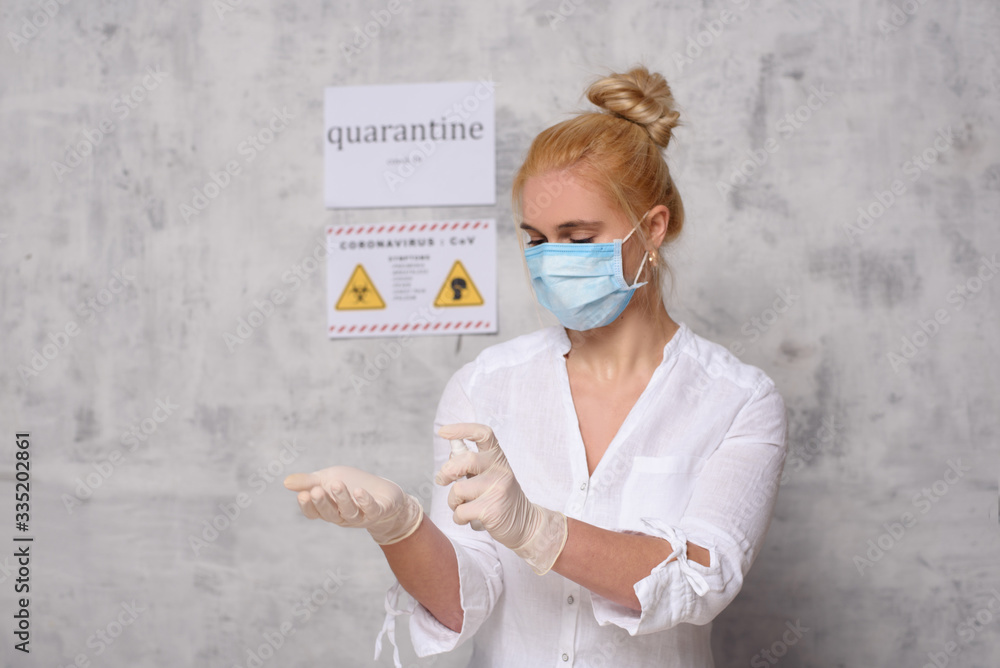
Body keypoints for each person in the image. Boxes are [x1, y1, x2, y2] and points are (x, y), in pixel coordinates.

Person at [284, 65, 788, 668]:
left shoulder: (738, 400)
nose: (552, 261)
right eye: (537, 240)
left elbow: (701, 580)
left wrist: (535, 528)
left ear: (651, 229)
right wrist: (400, 525)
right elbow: (463, 601)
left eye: (578, 239)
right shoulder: (485, 386)